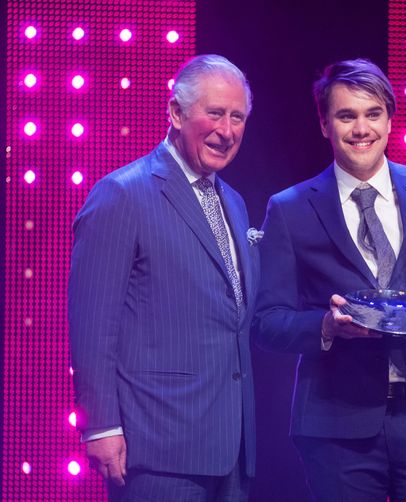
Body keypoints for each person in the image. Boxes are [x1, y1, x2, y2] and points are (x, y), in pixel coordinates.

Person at [252, 58, 406, 501]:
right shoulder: (289, 208)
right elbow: (267, 320)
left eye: (372, 114)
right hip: (335, 423)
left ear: (389, 118)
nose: (361, 128)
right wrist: (325, 326)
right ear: (325, 124)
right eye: (346, 116)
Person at [68, 54, 259, 501]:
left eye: (237, 117)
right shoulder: (123, 194)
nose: (226, 130)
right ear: (175, 112)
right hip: (157, 450)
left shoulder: (233, 201)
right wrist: (101, 425)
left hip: (230, 448)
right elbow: (93, 325)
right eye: (214, 113)